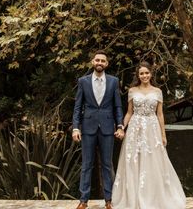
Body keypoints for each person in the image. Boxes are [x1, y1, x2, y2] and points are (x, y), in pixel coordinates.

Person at [112, 61, 186, 209]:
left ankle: (154, 198)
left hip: (152, 129)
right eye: (141, 73)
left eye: (146, 73)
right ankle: (134, 198)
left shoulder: (158, 91)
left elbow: (160, 115)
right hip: (134, 128)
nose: (144, 75)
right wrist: (121, 127)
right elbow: (129, 112)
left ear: (151, 74)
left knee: (153, 162)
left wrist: (163, 135)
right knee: (134, 161)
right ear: (138, 76)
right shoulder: (132, 91)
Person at [72, 51, 125, 209]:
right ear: (92, 62)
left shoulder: (114, 81)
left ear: (106, 64)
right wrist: (76, 128)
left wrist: (120, 125)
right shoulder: (83, 81)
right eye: (97, 60)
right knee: (87, 164)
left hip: (108, 128)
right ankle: (83, 200)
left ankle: (109, 200)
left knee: (107, 165)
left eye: (103, 60)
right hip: (87, 128)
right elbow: (77, 107)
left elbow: (117, 106)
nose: (100, 62)